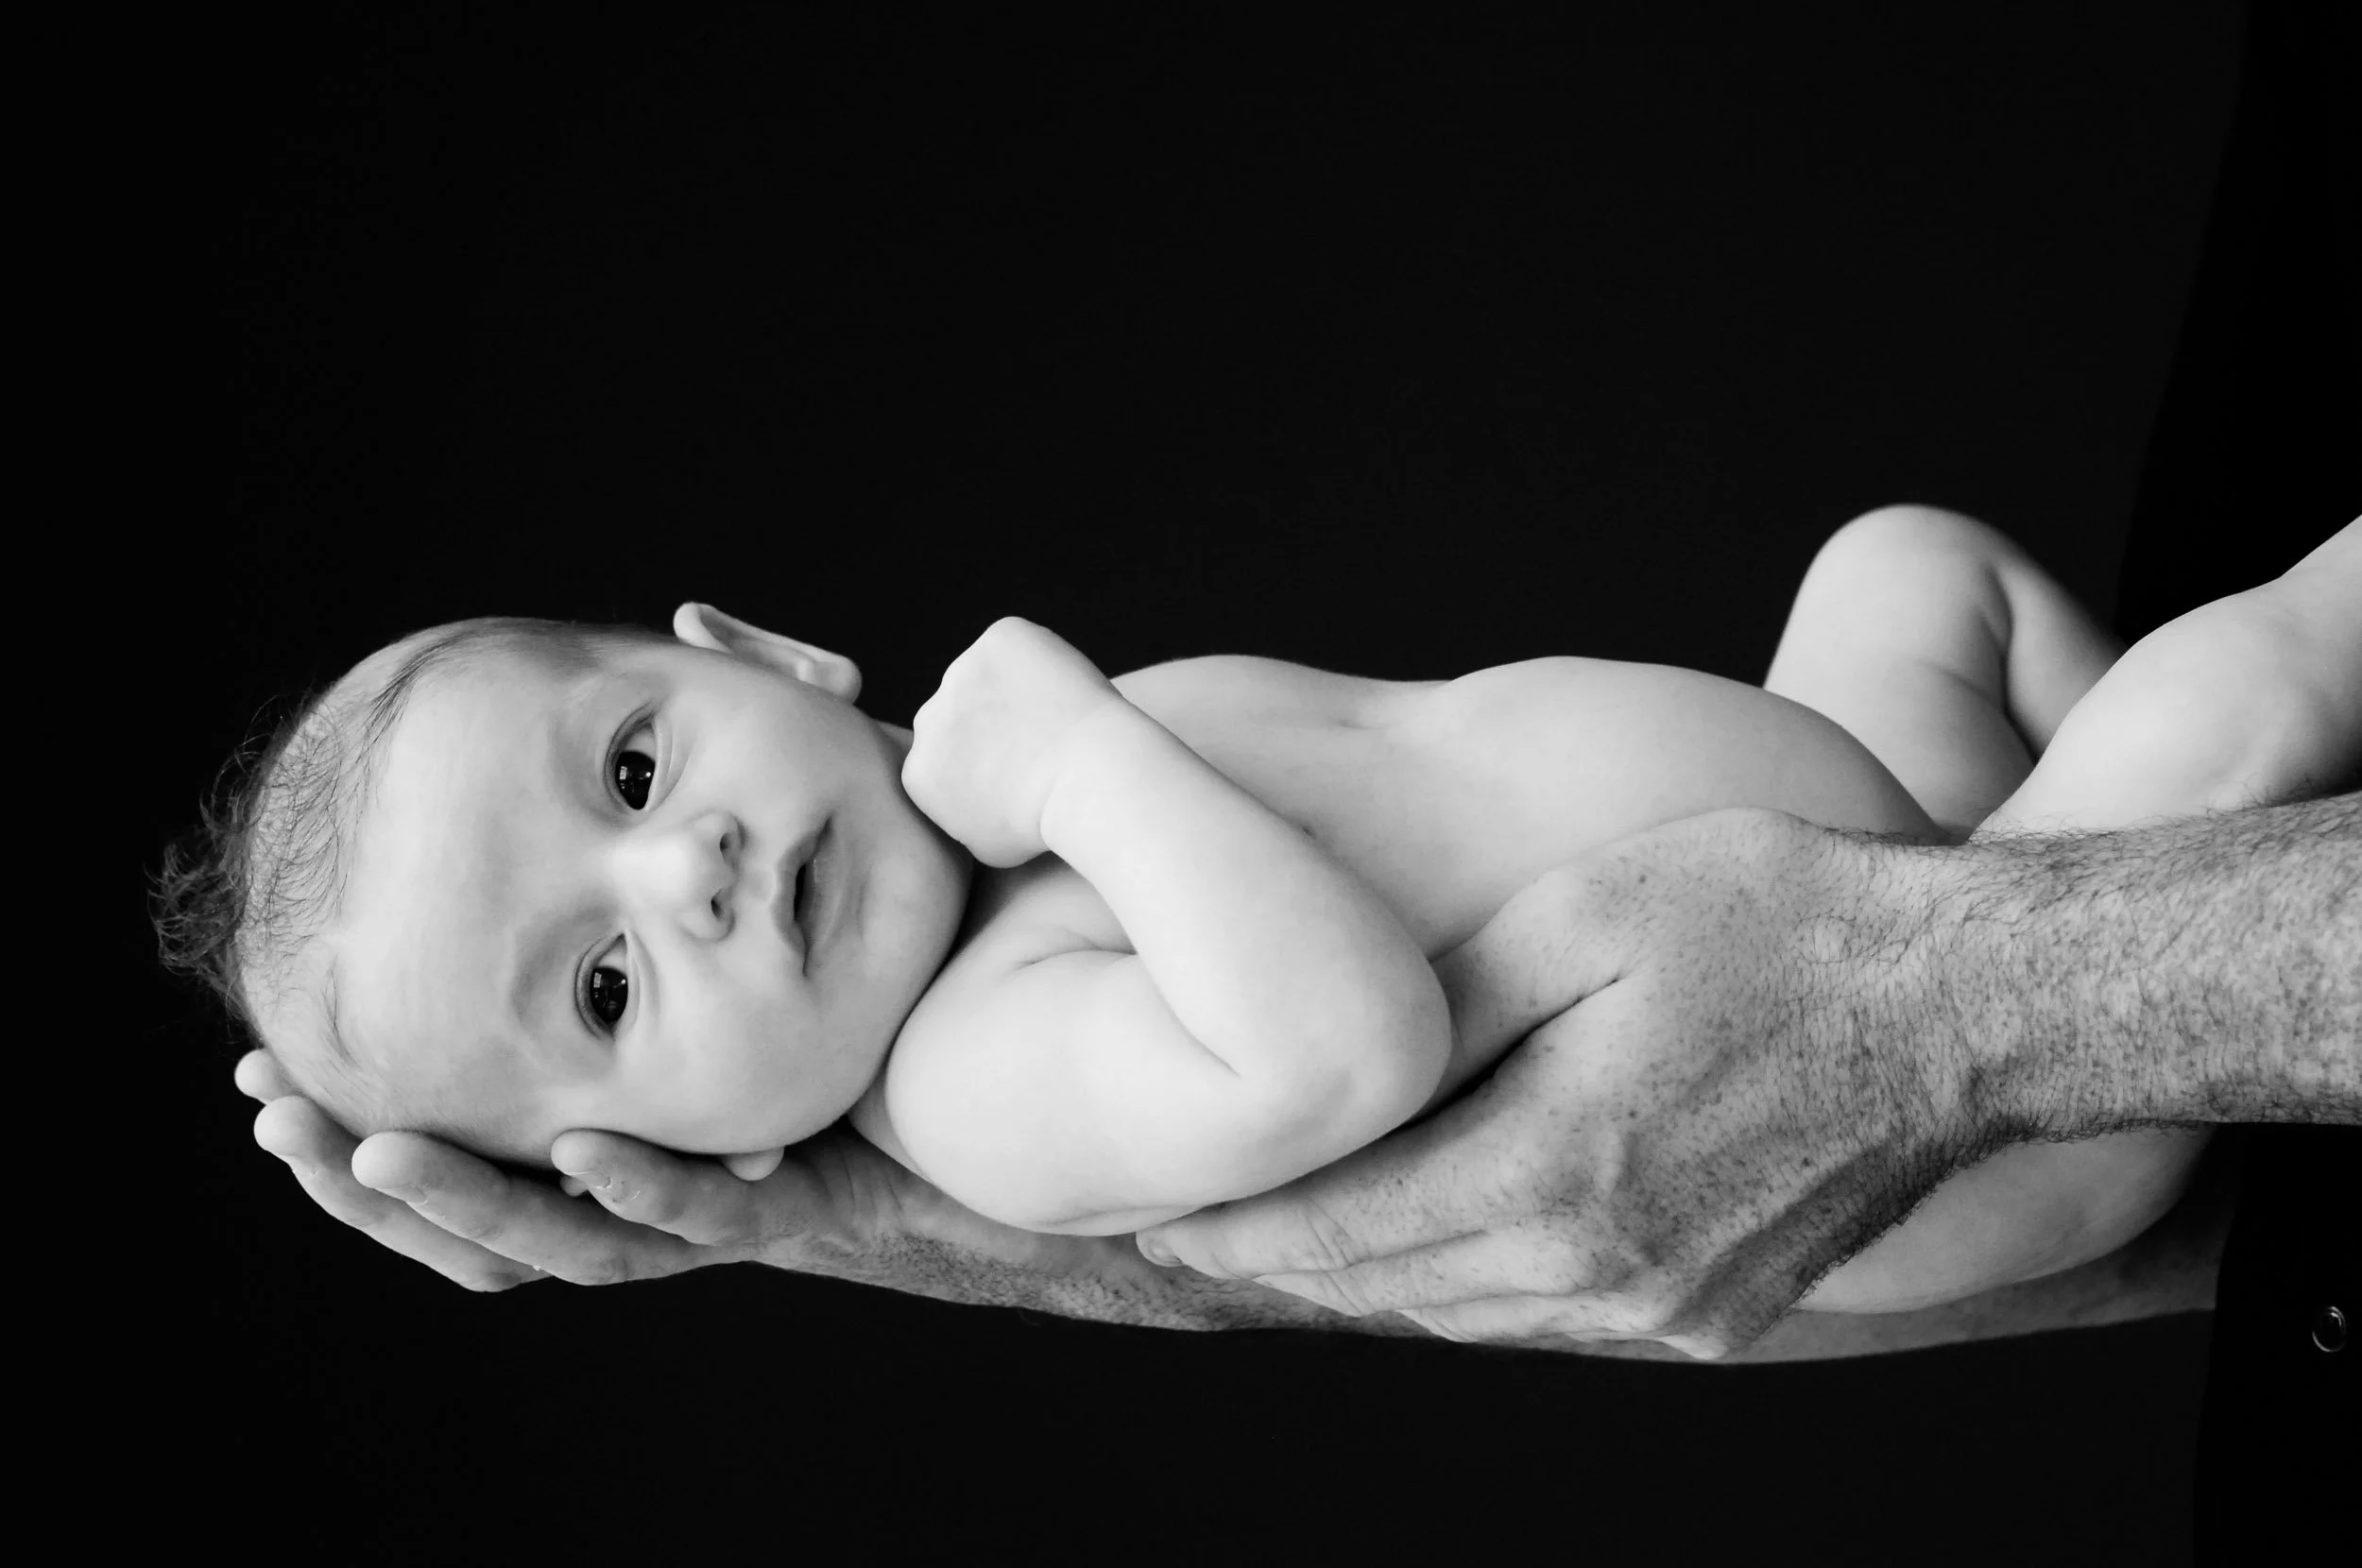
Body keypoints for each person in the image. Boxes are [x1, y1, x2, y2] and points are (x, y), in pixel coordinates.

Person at [203, 505, 2350, 1334]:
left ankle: (2211, 909)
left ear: (759, 649)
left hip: (1891, 880)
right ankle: (2199, 843)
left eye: (635, 769)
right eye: (604, 982)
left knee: (1906, 574)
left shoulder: (995, 829)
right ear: (703, 1150)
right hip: (1973, 1115)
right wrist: (1080, 767)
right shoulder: (982, 1074)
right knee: (2232, 686)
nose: (685, 874)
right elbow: (1337, 1050)